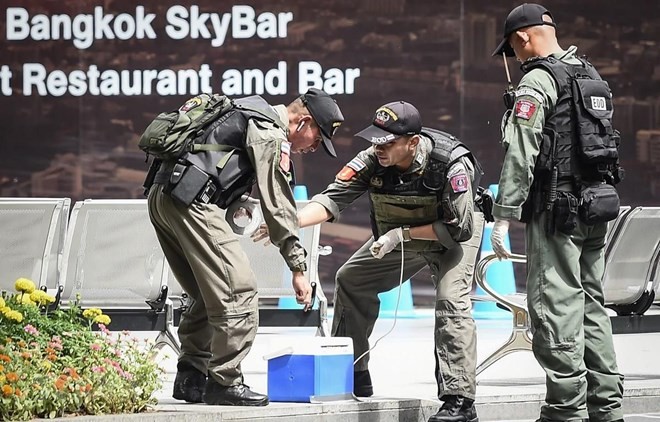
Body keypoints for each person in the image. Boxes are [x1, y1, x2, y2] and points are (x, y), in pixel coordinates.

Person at [256, 101, 483, 422]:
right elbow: (332, 198)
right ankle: (353, 370)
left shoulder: (450, 163)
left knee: (451, 301)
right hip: (400, 238)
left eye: (387, 142)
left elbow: (459, 228)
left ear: (412, 142)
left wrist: (402, 234)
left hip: (452, 238)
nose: (378, 147)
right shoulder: (372, 160)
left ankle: (459, 400)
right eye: (375, 139)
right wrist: (288, 221)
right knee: (351, 279)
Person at [146, 88, 344, 406]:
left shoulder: (247, 110)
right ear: (304, 122)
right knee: (239, 291)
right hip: (193, 203)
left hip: (164, 197)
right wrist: (297, 267)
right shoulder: (269, 131)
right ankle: (224, 381)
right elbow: (279, 204)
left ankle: (191, 376)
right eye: (318, 139)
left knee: (205, 291)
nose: (314, 148)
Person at [490, 4, 625, 422]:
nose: (514, 59)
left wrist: (503, 213)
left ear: (524, 38)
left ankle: (564, 409)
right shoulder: (590, 75)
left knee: (553, 304)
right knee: (590, 303)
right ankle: (607, 406)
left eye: (513, 49)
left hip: (557, 211)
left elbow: (521, 148)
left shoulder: (539, 79)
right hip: (596, 206)